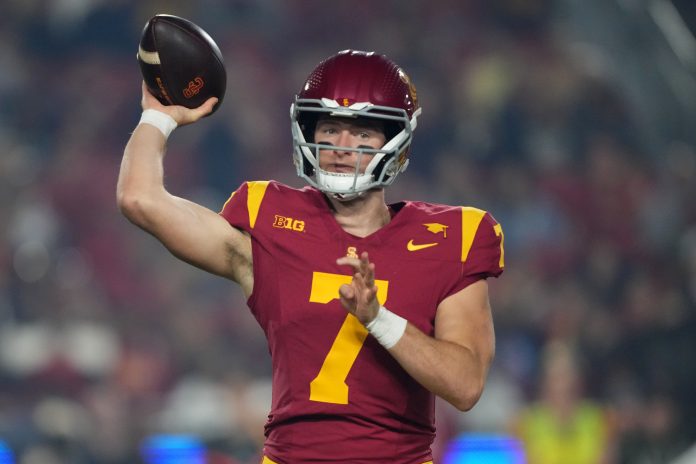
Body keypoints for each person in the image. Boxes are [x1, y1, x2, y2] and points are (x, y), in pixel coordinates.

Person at [118, 49, 505, 463]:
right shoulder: (270, 219)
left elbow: (465, 386)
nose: (342, 146)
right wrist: (158, 117)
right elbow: (139, 199)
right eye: (330, 129)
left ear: (396, 141)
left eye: (362, 133)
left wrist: (378, 318)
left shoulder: (455, 237)